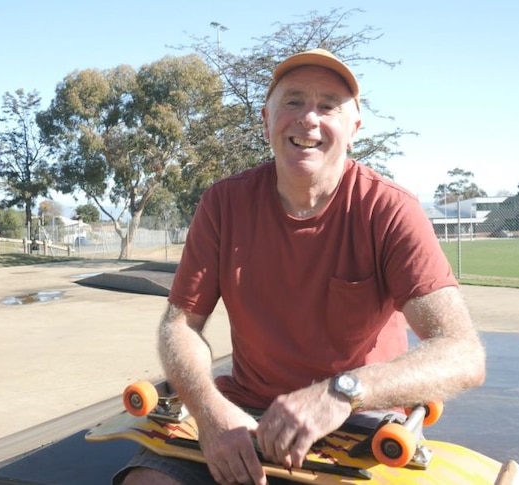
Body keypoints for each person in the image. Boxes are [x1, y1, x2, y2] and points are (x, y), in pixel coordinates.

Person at [114, 48, 486, 485]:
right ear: (266, 119)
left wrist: (342, 392)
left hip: (357, 419)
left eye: (328, 105)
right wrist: (210, 412)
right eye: (293, 101)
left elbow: (462, 353)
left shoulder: (389, 209)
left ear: (354, 129)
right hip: (245, 412)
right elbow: (180, 325)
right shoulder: (224, 203)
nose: (309, 118)